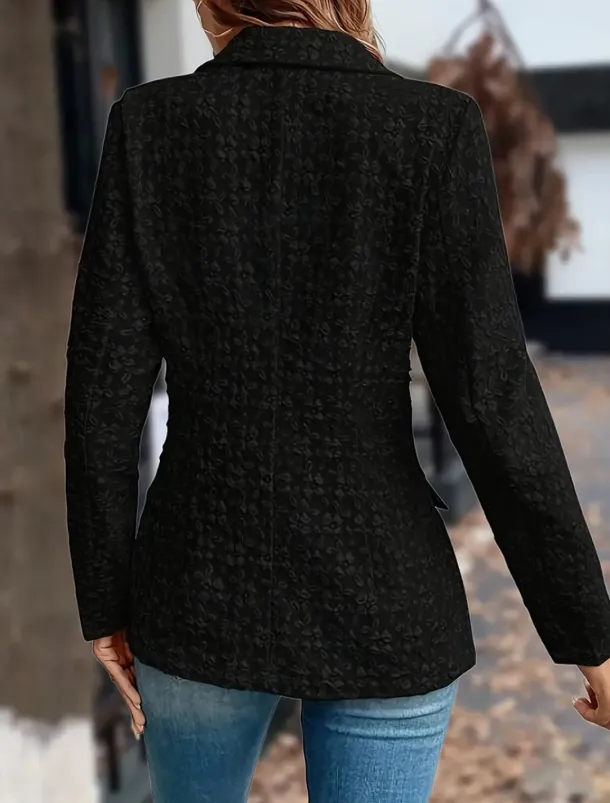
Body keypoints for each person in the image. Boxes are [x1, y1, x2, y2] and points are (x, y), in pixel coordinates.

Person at [63, 1, 610, 801]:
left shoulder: (150, 125)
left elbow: (100, 400)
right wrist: (588, 631)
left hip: (194, 589)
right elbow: (491, 398)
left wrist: (105, 601)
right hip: (385, 594)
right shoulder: (429, 128)